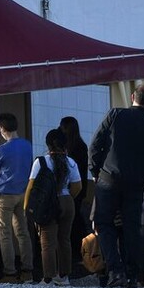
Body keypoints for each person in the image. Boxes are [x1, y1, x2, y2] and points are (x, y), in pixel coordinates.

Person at [89, 84, 144, 288]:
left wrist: (95, 171)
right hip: (137, 182)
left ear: (131, 97)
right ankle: (132, 274)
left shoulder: (115, 114)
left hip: (108, 177)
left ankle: (114, 269)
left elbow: (96, 143)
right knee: (132, 227)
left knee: (104, 223)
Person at [24, 129, 82, 285]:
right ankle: (63, 277)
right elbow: (78, 186)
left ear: (48, 144)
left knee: (47, 242)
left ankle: (48, 278)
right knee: (64, 240)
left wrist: (27, 208)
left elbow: (31, 187)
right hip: (67, 201)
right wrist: (68, 197)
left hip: (47, 204)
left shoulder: (41, 162)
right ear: (65, 144)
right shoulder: (71, 162)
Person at [0, 113, 34, 283]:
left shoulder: (1, 150)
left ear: (3, 129)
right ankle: (28, 271)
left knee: (4, 234)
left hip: (4, 196)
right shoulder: (28, 146)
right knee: (22, 232)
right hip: (22, 194)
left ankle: (10, 273)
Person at [58, 116, 89, 273]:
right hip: (80, 187)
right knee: (77, 219)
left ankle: (79, 252)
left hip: (70, 188)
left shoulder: (70, 148)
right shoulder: (81, 146)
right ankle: (83, 252)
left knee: (73, 222)